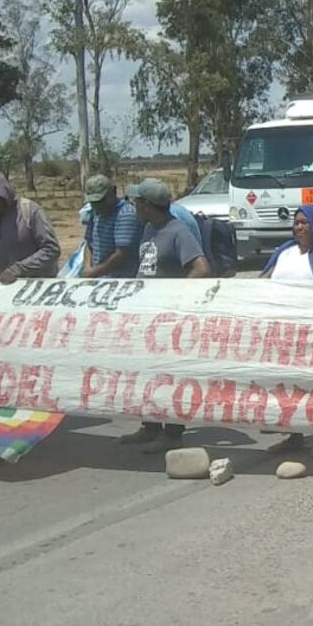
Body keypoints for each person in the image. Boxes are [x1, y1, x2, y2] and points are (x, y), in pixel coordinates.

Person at [119, 179, 211, 453]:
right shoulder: (149, 228)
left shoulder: (178, 232)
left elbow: (201, 268)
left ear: (148, 205)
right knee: (146, 373)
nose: (134, 206)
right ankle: (150, 427)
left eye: (137, 202)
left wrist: (174, 297)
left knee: (168, 376)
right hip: (145, 315)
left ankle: (172, 434)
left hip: (167, 320)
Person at [260, 205, 313, 457]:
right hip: (283, 330)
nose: (299, 227)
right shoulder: (285, 251)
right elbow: (264, 277)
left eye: (305, 223)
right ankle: (294, 435)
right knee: (287, 383)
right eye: (296, 223)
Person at [0, 168, 61, 284]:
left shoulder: (28, 211)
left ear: (2, 196)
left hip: (28, 290)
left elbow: (51, 249)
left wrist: (20, 269)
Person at [81, 174, 143, 278]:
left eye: (101, 201)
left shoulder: (126, 214)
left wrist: (94, 272)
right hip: (97, 277)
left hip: (120, 279)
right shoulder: (95, 213)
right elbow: (89, 243)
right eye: (93, 202)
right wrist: (87, 268)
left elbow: (122, 254)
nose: (97, 205)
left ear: (113, 192)